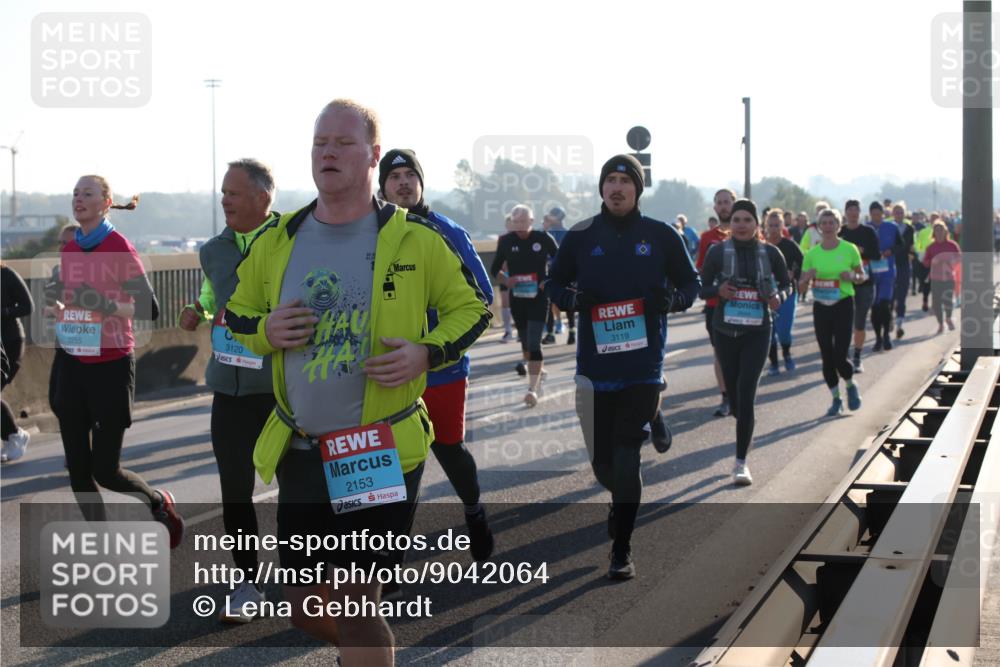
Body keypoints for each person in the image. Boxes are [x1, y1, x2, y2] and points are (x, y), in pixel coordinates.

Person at [224, 99, 490, 665]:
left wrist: (427, 352)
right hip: (301, 446)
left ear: (371, 154)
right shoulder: (280, 239)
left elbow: (474, 308)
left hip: (375, 447)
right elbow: (238, 314)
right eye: (320, 142)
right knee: (301, 605)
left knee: (354, 599)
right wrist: (266, 329)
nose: (328, 151)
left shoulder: (415, 239)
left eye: (343, 143)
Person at [546, 154, 699, 579]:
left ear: (637, 189)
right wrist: (572, 301)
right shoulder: (580, 236)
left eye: (624, 181)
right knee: (602, 466)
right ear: (601, 188)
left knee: (626, 458)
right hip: (594, 367)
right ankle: (627, 485)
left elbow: (692, 283)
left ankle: (622, 549)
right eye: (609, 180)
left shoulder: (661, 235)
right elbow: (553, 283)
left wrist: (674, 301)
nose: (616, 187)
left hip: (643, 365)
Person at [45, 175, 184, 545]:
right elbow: (69, 298)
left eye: (87, 193)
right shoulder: (70, 247)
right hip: (73, 361)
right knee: (78, 470)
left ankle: (156, 503)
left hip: (111, 366)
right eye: (75, 192)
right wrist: (58, 306)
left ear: (106, 202)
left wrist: (103, 305)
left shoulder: (118, 246)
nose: (78, 198)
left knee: (105, 471)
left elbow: (148, 308)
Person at [378, 147, 495, 565]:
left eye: (411, 175)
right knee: (387, 466)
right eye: (394, 177)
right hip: (386, 370)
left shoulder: (448, 232)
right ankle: (386, 561)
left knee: (449, 451)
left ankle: (474, 510)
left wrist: (433, 346)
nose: (404, 183)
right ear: (382, 186)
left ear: (421, 183)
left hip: (441, 368)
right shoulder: (367, 232)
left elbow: (481, 299)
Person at [178, 159, 280, 622]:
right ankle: (247, 583)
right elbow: (211, 293)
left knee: (306, 489)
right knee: (235, 492)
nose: (225, 201)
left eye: (233, 194)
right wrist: (197, 311)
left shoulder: (293, 240)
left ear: (263, 197)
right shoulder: (214, 249)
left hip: (281, 388)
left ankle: (333, 573)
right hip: (229, 388)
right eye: (223, 193)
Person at [700, 199, 791, 486]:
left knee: (747, 393)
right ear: (730, 224)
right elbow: (701, 289)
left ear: (757, 225)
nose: (741, 225)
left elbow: (787, 284)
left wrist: (779, 297)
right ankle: (742, 421)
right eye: (736, 220)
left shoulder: (771, 252)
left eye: (747, 220)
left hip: (758, 331)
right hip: (725, 331)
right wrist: (719, 290)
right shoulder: (717, 251)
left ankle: (741, 462)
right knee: (737, 401)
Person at [490, 204, 558, 407]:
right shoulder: (506, 241)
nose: (519, 226)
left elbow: (562, 260)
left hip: (539, 297)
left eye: (523, 222)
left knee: (535, 342)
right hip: (518, 299)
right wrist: (506, 280)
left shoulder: (543, 238)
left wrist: (548, 280)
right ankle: (538, 370)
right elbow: (495, 269)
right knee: (526, 344)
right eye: (515, 222)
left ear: (531, 221)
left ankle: (532, 389)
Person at [800, 208, 865, 417]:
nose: (828, 227)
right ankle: (836, 399)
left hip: (843, 303)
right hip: (821, 306)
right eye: (824, 223)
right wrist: (806, 278)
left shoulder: (849, 249)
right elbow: (801, 287)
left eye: (832, 223)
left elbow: (862, 276)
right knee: (826, 356)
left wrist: (852, 276)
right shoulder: (812, 254)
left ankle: (850, 384)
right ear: (819, 227)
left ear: (838, 226)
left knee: (840, 354)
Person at [696, 189, 735, 417]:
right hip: (714, 305)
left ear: (734, 204)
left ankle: (740, 392)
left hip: (744, 304)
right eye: (719, 203)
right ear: (714, 208)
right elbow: (701, 271)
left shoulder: (747, 232)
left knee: (741, 353)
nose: (723, 206)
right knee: (720, 352)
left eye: (727, 202)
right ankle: (726, 397)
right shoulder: (707, 238)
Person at [838, 199, 881, 373]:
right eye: (850, 210)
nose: (853, 213)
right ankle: (845, 355)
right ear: (846, 212)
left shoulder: (868, 232)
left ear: (859, 213)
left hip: (864, 281)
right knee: (844, 320)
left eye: (856, 210)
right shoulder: (839, 232)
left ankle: (857, 355)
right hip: (843, 281)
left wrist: (861, 251)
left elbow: (877, 255)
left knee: (860, 321)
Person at [1, 263, 34, 462]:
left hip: (9, 341)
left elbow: (27, 306)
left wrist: (3, 312)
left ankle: (15, 436)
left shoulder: (6, 274)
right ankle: (12, 437)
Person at [763, 209, 802, 375]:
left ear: (783, 225)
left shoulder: (790, 245)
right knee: (769, 331)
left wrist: (795, 274)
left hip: (787, 293)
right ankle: (773, 363)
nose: (774, 228)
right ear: (766, 226)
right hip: (766, 295)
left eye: (777, 225)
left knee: (784, 330)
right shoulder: (761, 246)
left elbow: (802, 264)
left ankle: (786, 353)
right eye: (770, 225)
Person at [868, 201, 902, 351]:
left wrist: (891, 250)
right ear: (870, 214)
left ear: (883, 214)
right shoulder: (866, 229)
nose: (876, 217)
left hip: (887, 271)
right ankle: (878, 338)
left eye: (879, 214)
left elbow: (901, 245)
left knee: (884, 305)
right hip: (870, 272)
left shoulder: (892, 227)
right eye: (873, 214)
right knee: (875, 307)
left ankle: (887, 337)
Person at [542, 206, 575, 345]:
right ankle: (550, 333)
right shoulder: (547, 233)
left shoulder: (567, 233)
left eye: (552, 216)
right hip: (550, 271)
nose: (549, 218)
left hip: (565, 271)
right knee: (549, 302)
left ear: (559, 217)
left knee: (568, 301)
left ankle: (572, 332)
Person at [923, 221, 961, 333]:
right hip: (935, 278)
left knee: (948, 300)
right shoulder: (931, 247)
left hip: (949, 277)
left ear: (945, 232)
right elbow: (925, 262)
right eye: (937, 231)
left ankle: (948, 318)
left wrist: (950, 261)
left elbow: (959, 258)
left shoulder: (952, 245)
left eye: (941, 230)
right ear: (934, 233)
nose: (939, 233)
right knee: (936, 303)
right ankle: (940, 324)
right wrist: (933, 261)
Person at [890, 203, 915, 338]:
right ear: (893, 214)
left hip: (904, 264)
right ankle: (890, 319)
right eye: (896, 212)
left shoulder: (909, 228)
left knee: (902, 295)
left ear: (904, 214)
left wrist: (912, 255)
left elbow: (911, 246)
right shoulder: (888, 227)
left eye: (901, 212)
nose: (899, 214)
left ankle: (899, 323)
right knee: (891, 295)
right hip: (890, 264)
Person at [498, 214, 515, 343]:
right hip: (504, 274)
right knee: (505, 302)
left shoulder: (520, 237)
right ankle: (508, 330)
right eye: (507, 223)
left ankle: (521, 329)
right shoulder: (502, 238)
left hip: (517, 275)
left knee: (517, 303)